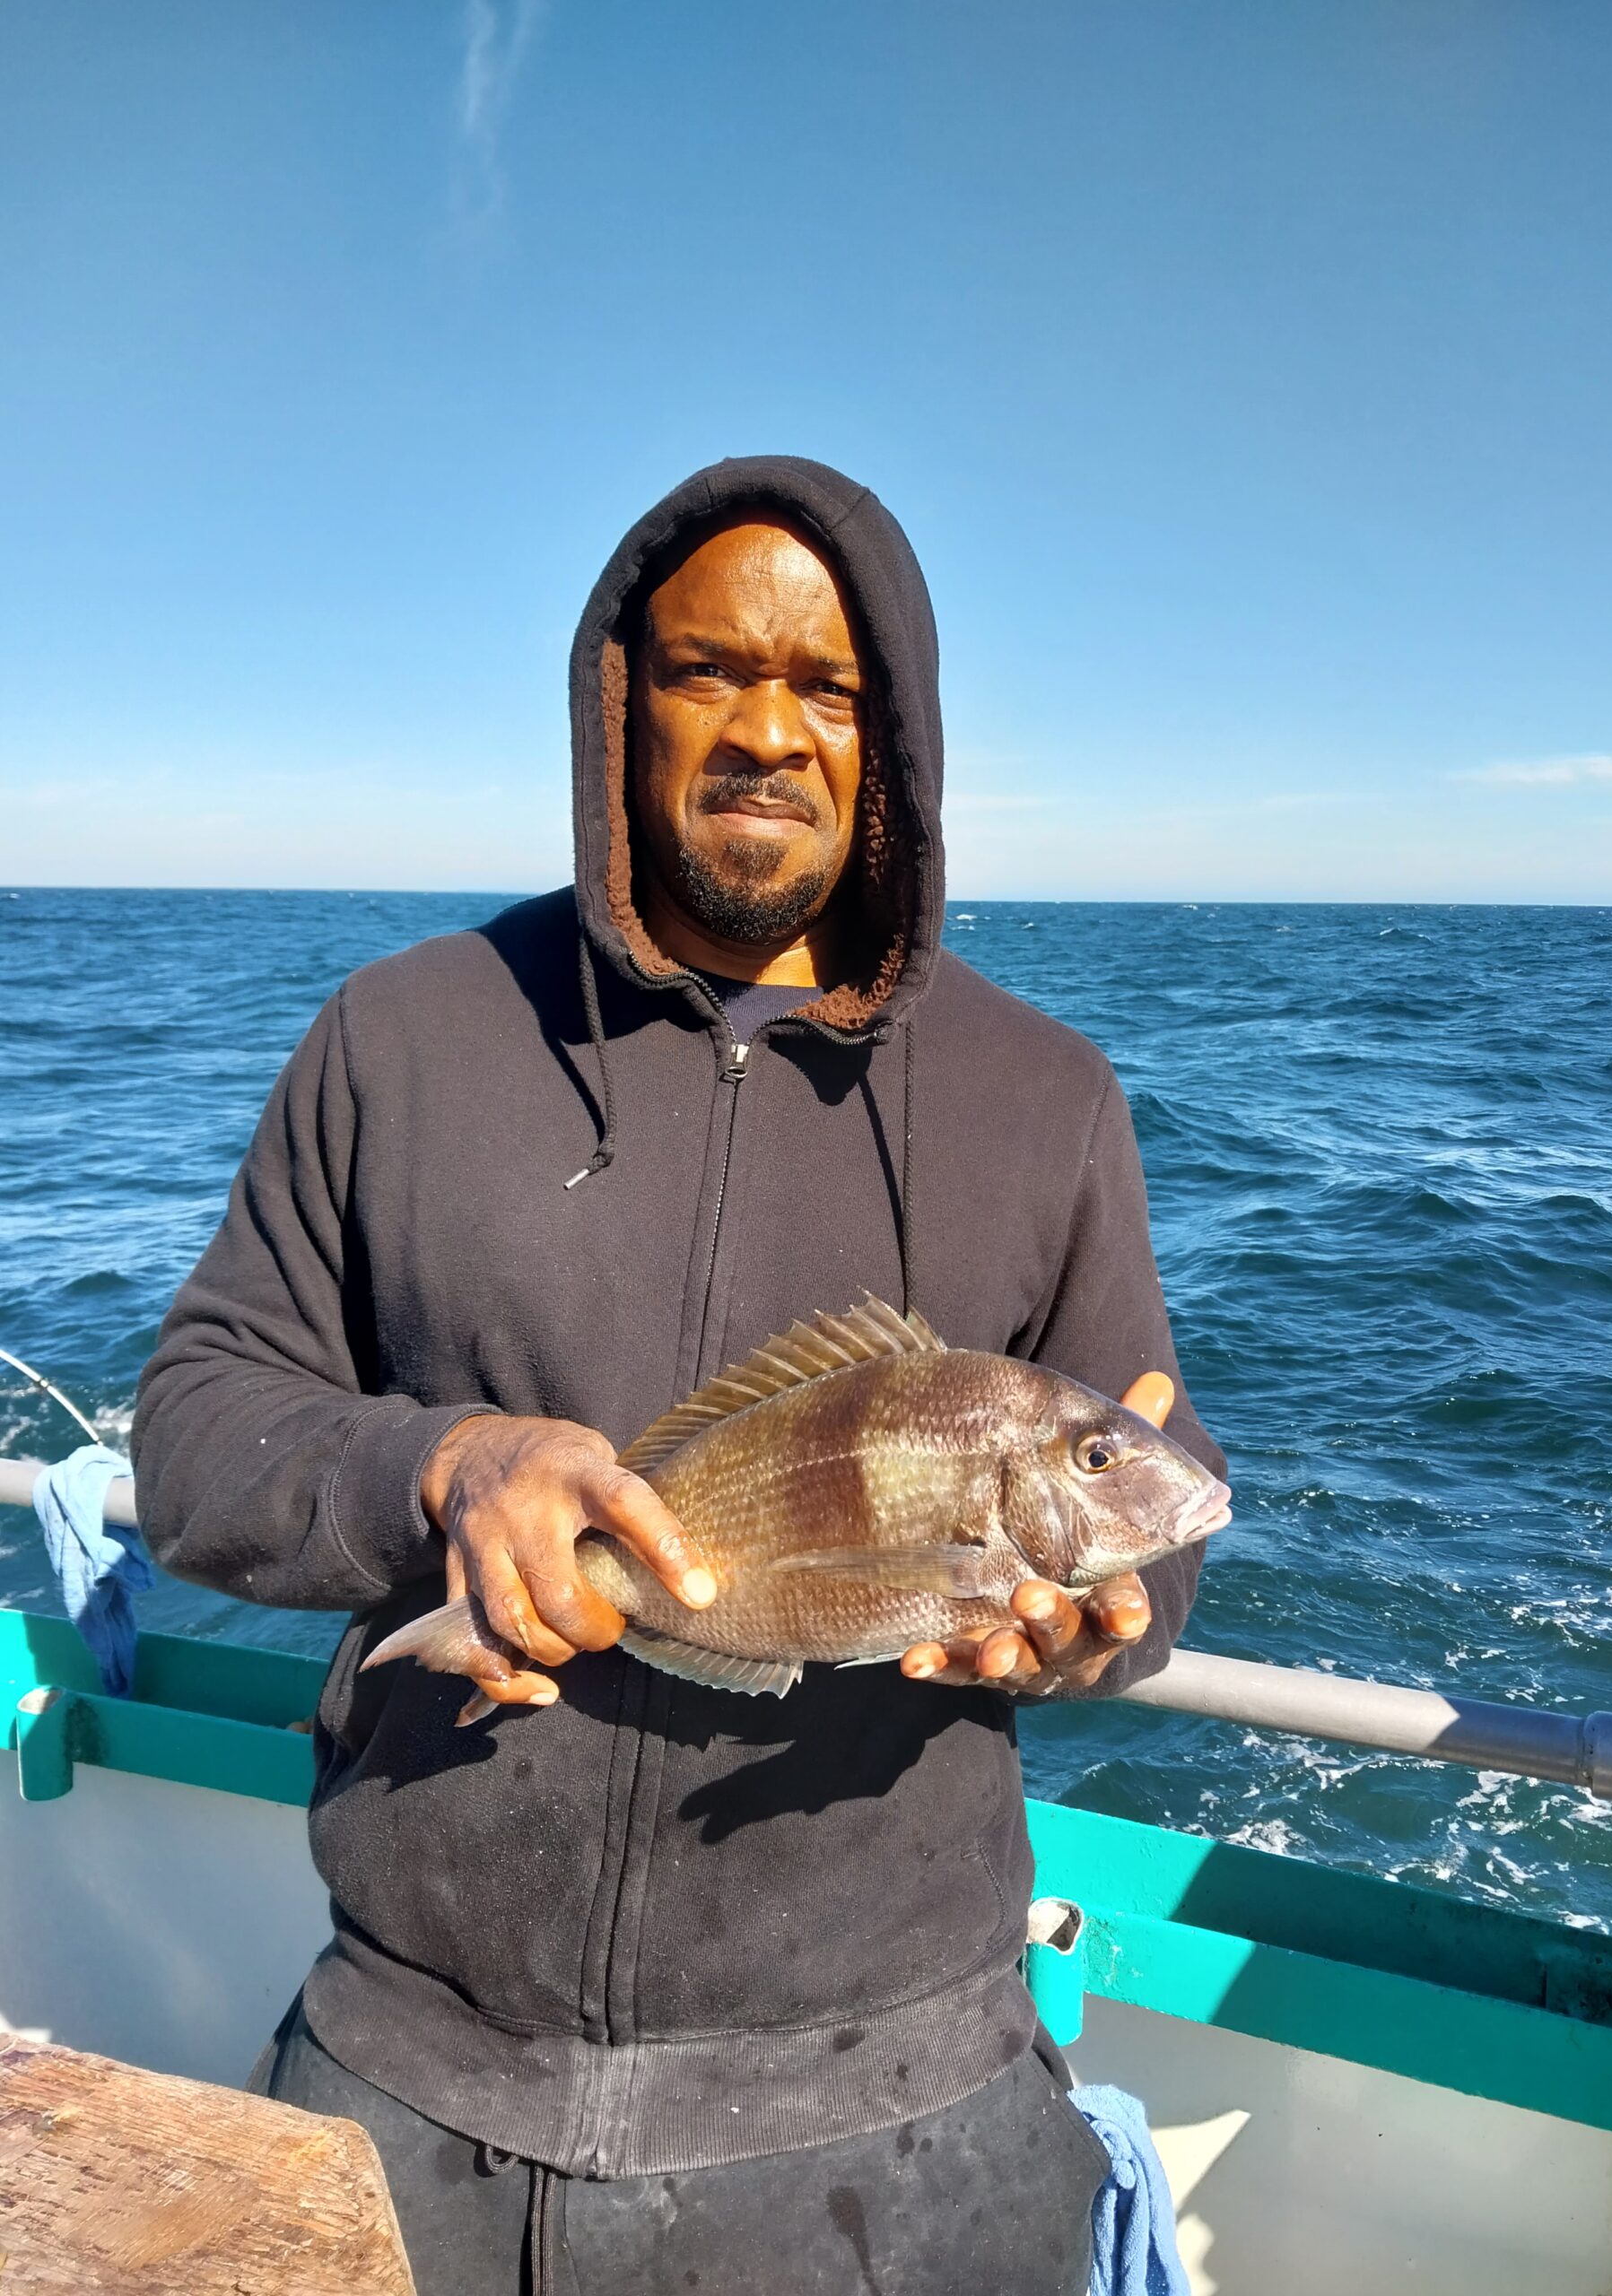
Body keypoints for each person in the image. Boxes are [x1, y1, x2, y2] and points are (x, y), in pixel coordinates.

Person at [134, 456, 1225, 2296]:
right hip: (412, 2072)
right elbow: (192, 1432)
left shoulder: (1051, 1100)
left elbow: (1154, 1503)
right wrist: (443, 1465)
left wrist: (1096, 1624)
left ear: (894, 738)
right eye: (714, 667)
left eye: (829, 688)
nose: (770, 731)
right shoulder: (401, 1035)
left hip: (895, 2114)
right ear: (620, 698)